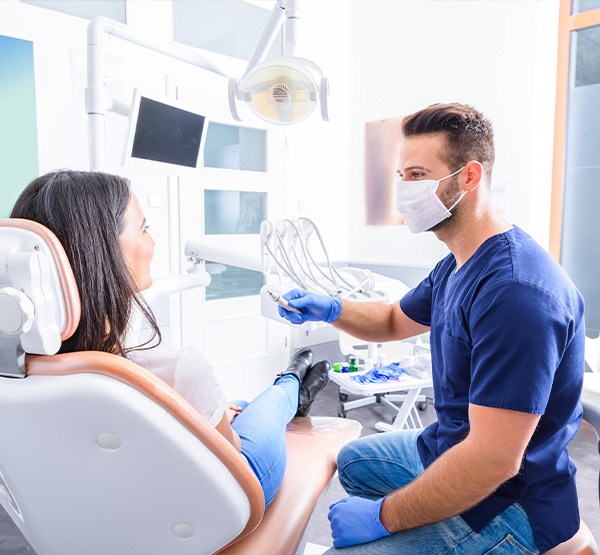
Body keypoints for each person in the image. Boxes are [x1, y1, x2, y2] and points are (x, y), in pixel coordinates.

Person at [278, 103, 584, 553]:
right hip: (452, 446)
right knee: (353, 462)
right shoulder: (456, 264)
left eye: (418, 175)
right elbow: (391, 319)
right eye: (402, 176)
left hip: (507, 502)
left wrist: (384, 516)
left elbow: (492, 461)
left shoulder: (516, 293)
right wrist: (330, 309)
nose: (404, 191)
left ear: (469, 177)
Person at [10, 169, 330, 509]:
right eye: (144, 228)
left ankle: (274, 393)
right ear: (101, 251)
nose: (153, 241)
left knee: (238, 406)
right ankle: (291, 384)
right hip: (218, 509)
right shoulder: (179, 371)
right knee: (268, 407)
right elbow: (231, 459)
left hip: (99, 515)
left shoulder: (23, 374)